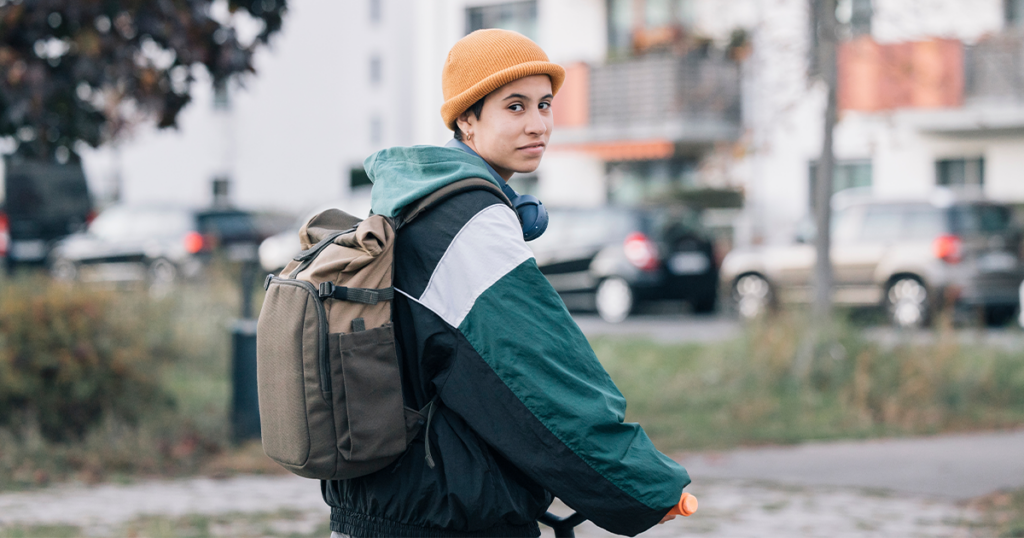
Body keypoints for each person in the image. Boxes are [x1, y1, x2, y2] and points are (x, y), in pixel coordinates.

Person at [322, 28, 691, 538]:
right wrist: (645, 486)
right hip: (442, 518)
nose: (538, 124)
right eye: (514, 107)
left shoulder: (416, 204)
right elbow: (537, 375)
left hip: (389, 506)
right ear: (467, 120)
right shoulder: (466, 220)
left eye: (544, 105)